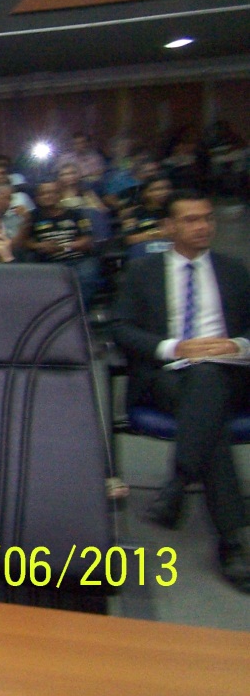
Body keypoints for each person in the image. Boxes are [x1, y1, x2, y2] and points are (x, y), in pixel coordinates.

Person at [112, 190, 250, 592]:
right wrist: (176, 347)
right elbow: (121, 328)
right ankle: (230, 541)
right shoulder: (143, 273)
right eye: (190, 220)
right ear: (169, 227)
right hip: (167, 375)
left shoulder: (235, 270)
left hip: (231, 374)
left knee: (208, 381)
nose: (203, 226)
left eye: (207, 218)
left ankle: (179, 482)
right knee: (208, 411)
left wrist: (236, 346)